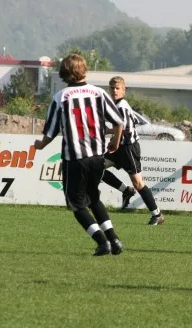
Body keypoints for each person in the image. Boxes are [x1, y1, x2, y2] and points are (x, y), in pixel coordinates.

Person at [33, 54, 124, 256]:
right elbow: (119, 121)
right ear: (84, 70)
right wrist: (115, 142)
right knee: (93, 198)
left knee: (76, 204)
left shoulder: (61, 97)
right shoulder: (98, 93)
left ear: (64, 73)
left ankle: (102, 242)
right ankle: (114, 239)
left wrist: (41, 145)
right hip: (97, 157)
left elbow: (51, 131)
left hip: (75, 159)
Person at [100, 77, 165, 225]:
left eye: (118, 88)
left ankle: (157, 215)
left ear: (124, 90)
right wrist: (112, 135)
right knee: (97, 168)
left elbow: (127, 130)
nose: (114, 91)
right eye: (112, 88)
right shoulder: (116, 105)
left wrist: (112, 139)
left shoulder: (121, 106)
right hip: (120, 147)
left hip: (128, 148)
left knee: (138, 183)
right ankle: (126, 191)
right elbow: (125, 125)